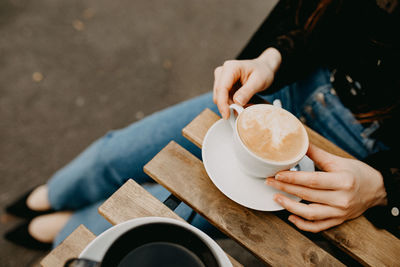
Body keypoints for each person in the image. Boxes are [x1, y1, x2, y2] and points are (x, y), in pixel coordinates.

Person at [4, 0, 399, 250]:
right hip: (292, 84)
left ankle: (66, 230)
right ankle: (55, 193)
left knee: (161, 208)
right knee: (118, 150)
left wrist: (384, 189)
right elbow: (327, 15)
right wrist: (273, 58)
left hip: (358, 155)